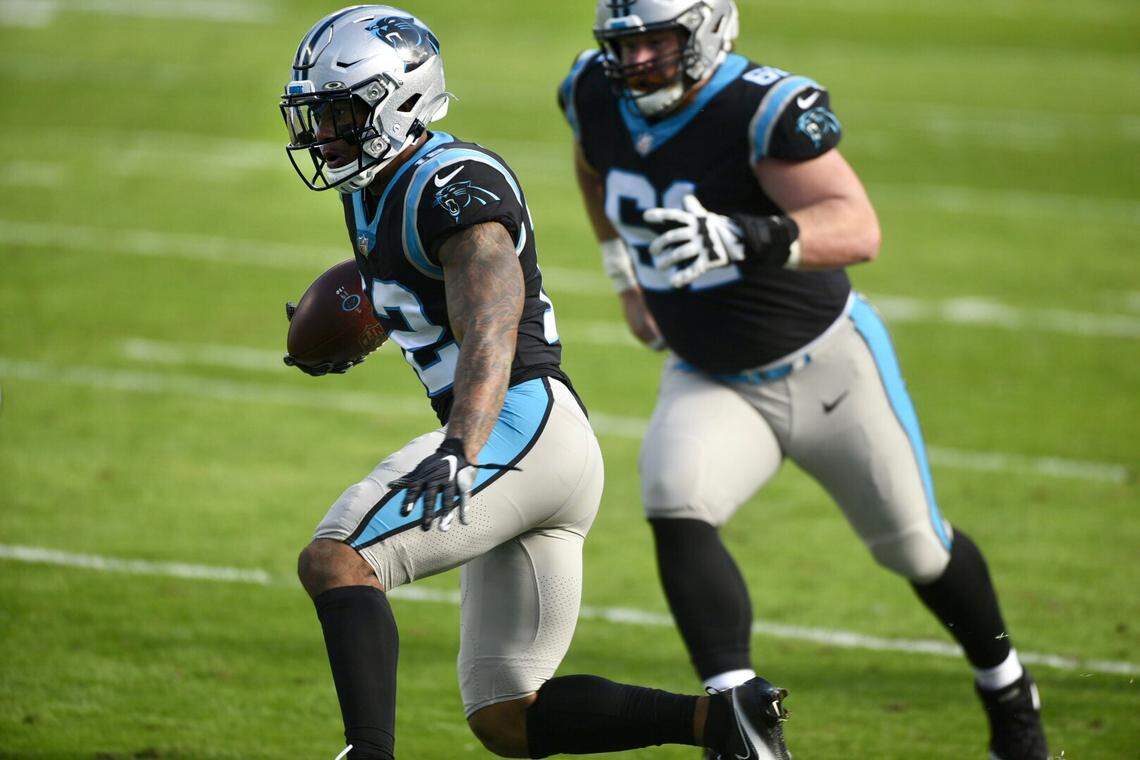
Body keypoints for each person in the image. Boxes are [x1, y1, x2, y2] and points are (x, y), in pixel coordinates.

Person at [280, 6, 792, 759]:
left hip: (516, 428)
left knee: (339, 559)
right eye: (315, 117)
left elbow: (491, 321)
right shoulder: (380, 186)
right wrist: (372, 313)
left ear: (402, 103)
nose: (322, 135)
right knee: (506, 716)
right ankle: (723, 723)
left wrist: (460, 445)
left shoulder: (453, 185)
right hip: (541, 441)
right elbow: (423, 284)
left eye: (341, 115)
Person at [558, 2, 1049, 758]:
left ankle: (1009, 690)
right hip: (710, 373)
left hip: (826, 366)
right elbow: (594, 163)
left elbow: (858, 226)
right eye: (625, 45)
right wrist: (624, 273)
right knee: (673, 497)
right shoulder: (593, 89)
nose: (639, 62)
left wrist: (747, 234)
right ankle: (743, 724)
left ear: (709, 31)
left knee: (917, 550)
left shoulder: (762, 107)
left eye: (658, 42)